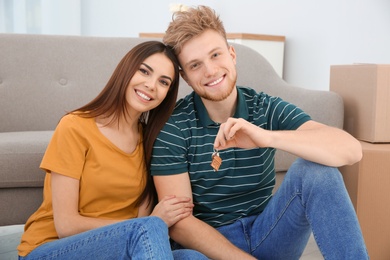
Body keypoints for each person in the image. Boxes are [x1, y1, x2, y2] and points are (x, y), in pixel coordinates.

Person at [150, 6, 369, 260]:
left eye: (216, 55)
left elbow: (351, 150)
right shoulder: (173, 127)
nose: (210, 70)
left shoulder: (264, 107)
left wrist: (266, 137)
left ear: (232, 55)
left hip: (269, 232)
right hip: (210, 247)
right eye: (195, 65)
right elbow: (179, 223)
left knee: (317, 171)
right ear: (185, 77)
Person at [17, 41, 207, 260]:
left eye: (163, 82)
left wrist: (147, 224)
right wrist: (151, 223)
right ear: (126, 70)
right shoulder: (74, 127)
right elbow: (66, 225)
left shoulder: (150, 141)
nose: (151, 85)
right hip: (53, 249)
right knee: (147, 229)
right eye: (144, 71)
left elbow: (141, 223)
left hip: (122, 249)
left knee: (193, 257)